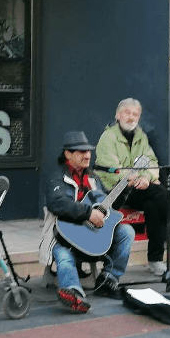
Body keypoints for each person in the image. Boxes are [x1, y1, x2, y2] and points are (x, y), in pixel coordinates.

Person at [95, 99, 170, 276]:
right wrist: (134, 178)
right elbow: (109, 170)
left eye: (135, 114)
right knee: (158, 192)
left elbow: (152, 162)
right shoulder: (107, 138)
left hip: (138, 189)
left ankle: (155, 260)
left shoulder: (140, 136)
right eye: (127, 113)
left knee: (153, 205)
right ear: (118, 115)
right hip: (115, 191)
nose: (131, 117)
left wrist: (146, 177)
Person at [46, 131, 135, 312]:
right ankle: (73, 292)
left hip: (94, 236)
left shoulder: (93, 178)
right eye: (81, 152)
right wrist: (88, 214)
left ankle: (108, 280)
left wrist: (125, 188)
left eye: (88, 151)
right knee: (63, 255)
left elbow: (107, 206)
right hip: (65, 236)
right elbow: (57, 203)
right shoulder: (57, 176)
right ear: (68, 154)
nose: (87, 155)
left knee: (126, 232)